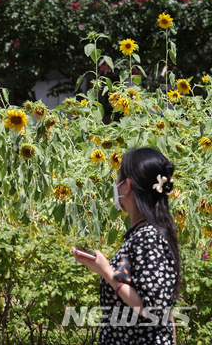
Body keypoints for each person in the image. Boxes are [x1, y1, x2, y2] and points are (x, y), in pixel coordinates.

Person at [71, 147, 181, 344]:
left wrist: (108, 273)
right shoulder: (145, 234)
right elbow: (167, 313)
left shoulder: (148, 237)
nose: (115, 184)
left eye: (118, 178)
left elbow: (155, 310)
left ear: (126, 185)